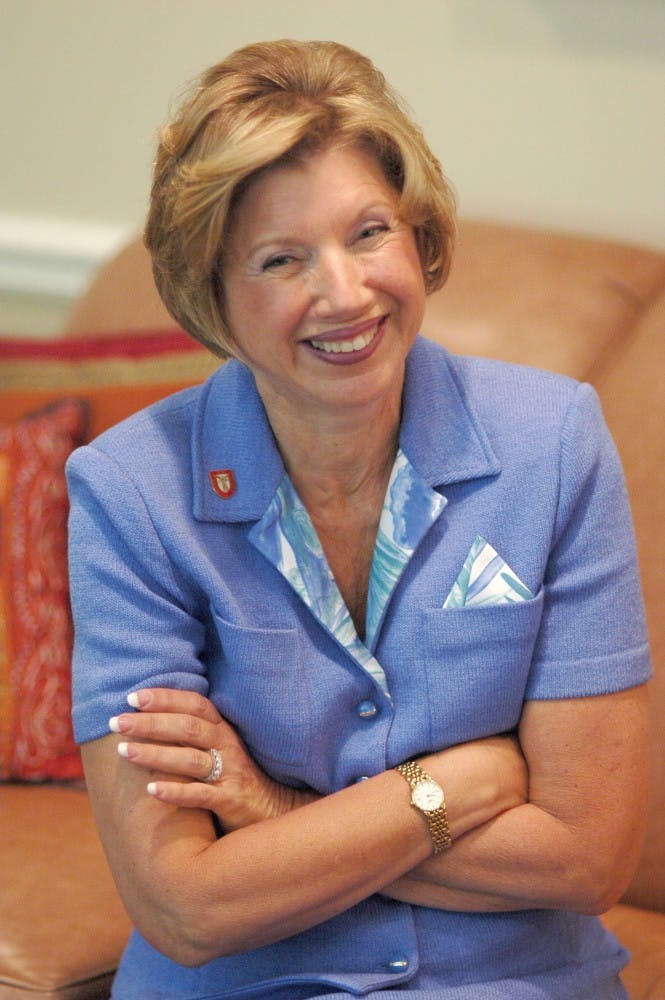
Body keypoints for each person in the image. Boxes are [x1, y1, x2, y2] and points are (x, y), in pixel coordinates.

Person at [66, 39, 652, 999]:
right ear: (212, 295)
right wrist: (452, 787)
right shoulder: (129, 492)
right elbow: (184, 908)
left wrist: (270, 811)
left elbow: (588, 860)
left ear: (419, 235)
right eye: (280, 259)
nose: (344, 295)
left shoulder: (551, 443)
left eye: (369, 232)